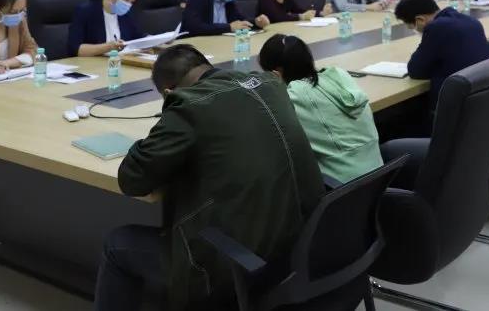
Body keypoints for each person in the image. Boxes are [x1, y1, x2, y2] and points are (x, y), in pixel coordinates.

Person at [95, 45, 324, 311]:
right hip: (303, 248)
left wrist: (163, 123)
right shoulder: (270, 84)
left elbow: (132, 178)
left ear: (169, 93)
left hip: (245, 266)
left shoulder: (188, 105)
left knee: (117, 245)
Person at [258, 34, 383, 183]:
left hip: (341, 187)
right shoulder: (339, 75)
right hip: (378, 174)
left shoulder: (291, 97)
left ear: (276, 73)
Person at [395, 0, 489, 110]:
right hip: (481, 103)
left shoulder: (436, 28)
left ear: (420, 19)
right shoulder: (471, 20)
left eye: (412, 27)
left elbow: (415, 70)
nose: (415, 30)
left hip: (453, 108)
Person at [67, 0, 144, 57]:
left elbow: (137, 37)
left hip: (120, 62)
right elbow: (75, 49)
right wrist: (108, 47)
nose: (128, 5)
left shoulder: (127, 14)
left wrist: (150, 40)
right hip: (93, 63)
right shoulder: (84, 12)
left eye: (131, 2)